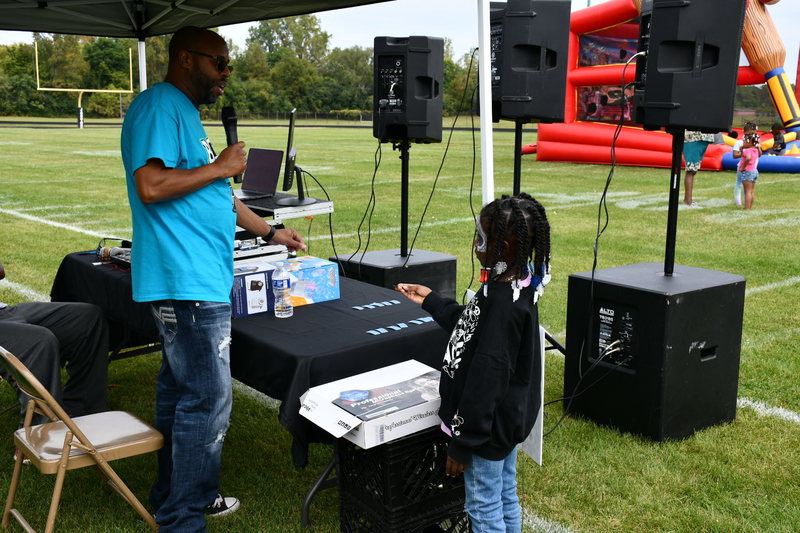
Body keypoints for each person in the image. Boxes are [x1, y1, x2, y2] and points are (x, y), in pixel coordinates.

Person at [120, 26, 306, 532]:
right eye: (218, 63)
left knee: (183, 396)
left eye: (229, 66)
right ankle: (183, 519)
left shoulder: (184, 115)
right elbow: (152, 184)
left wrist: (271, 231)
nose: (226, 75)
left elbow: (217, 195)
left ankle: (180, 497)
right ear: (185, 59)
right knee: (207, 403)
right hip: (186, 281)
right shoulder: (160, 105)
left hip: (196, 277)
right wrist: (222, 165)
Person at [396, 193, 551, 533]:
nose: (475, 244)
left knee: (482, 506)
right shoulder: (516, 282)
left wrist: (464, 443)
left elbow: (487, 377)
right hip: (504, 422)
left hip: (485, 431)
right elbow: (473, 326)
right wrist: (433, 302)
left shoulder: (502, 302)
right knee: (504, 494)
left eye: (480, 238)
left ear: (505, 246)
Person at [0, 261, 108, 424]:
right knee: (38, 341)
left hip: (4, 312)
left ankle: (81, 412)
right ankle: (40, 436)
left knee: (87, 319)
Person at [682, 130, 715, 207]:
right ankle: (688, 201)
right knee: (691, 170)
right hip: (693, 138)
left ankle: (688, 199)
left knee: (694, 170)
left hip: (703, 137)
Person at [732, 122, 760, 206]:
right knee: (741, 185)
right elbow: (735, 155)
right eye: (750, 133)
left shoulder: (754, 143)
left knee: (748, 190)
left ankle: (747, 205)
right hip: (745, 168)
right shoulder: (741, 143)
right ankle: (739, 203)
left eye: (754, 132)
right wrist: (743, 151)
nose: (752, 135)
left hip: (750, 168)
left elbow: (757, 155)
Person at [738, 132, 761, 210]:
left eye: (745, 141)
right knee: (751, 191)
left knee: (747, 191)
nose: (744, 143)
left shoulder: (747, 150)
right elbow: (759, 154)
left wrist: (743, 167)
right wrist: (742, 150)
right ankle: (750, 207)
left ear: (749, 142)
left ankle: (746, 208)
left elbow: (748, 158)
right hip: (754, 171)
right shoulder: (755, 149)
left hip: (747, 171)